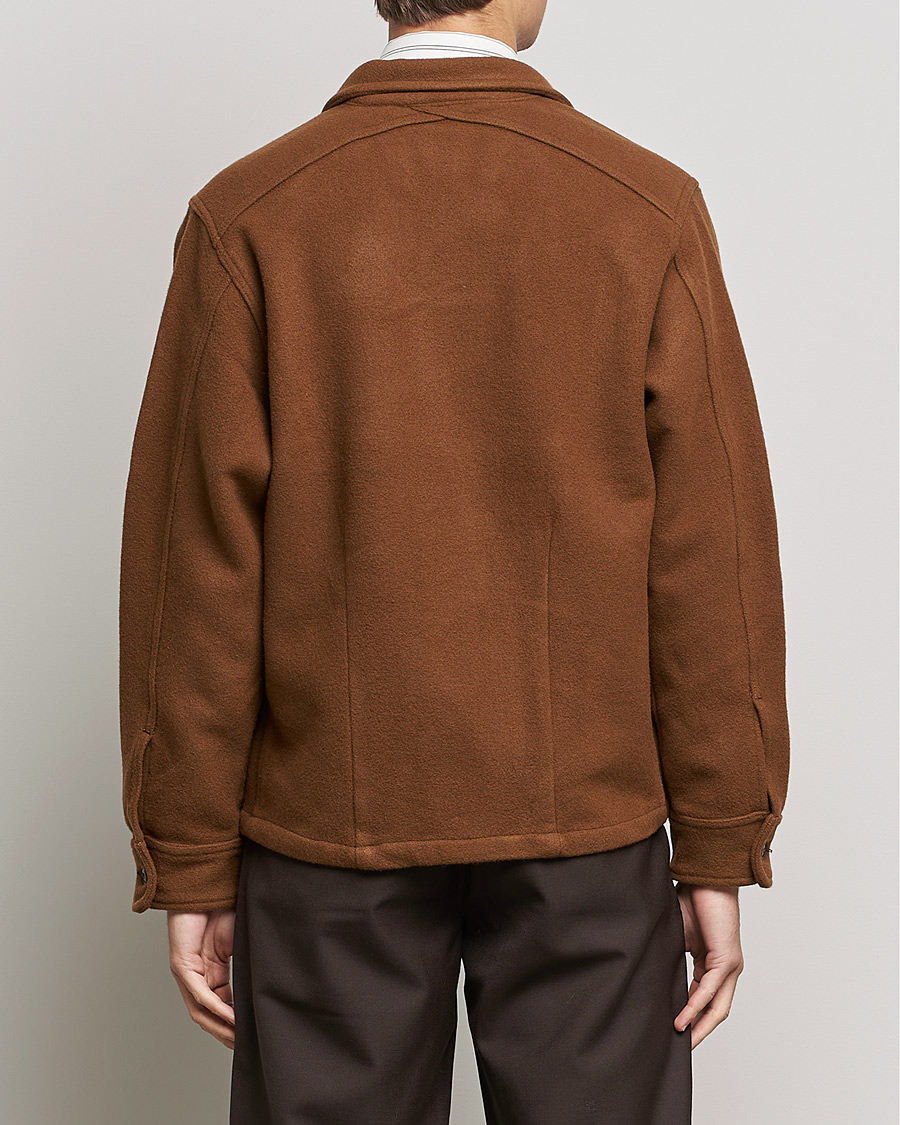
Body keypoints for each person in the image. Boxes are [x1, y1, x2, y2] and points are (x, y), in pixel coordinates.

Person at [118, 0, 791, 1120]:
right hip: (590, 827)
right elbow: (709, 555)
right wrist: (720, 842)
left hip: (327, 829)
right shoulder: (644, 207)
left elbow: (192, 573)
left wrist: (187, 853)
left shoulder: (250, 212)